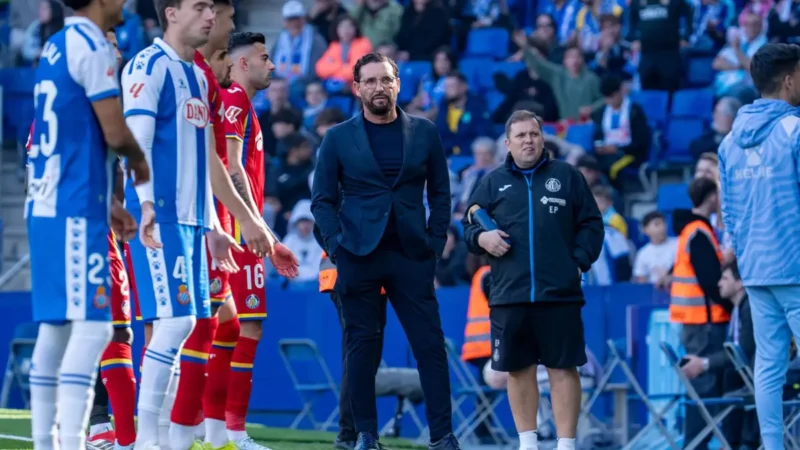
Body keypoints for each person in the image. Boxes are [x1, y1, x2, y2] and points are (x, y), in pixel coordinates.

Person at [121, 0, 276, 448]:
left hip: (193, 221)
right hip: (159, 216)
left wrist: (215, 225)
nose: (211, 17)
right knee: (171, 326)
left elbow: (208, 160)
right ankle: (147, 440)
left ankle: (169, 438)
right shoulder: (147, 66)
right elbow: (138, 143)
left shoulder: (198, 77)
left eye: (213, 9)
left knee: (188, 324)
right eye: (201, 7)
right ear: (171, 13)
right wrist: (146, 206)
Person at [311, 52, 458, 450]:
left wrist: (434, 242)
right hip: (358, 254)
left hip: (412, 255)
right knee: (362, 348)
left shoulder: (425, 132)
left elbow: (441, 195)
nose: (380, 87)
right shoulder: (338, 137)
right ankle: (365, 435)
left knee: (430, 345)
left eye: (386, 80)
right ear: (357, 88)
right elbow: (321, 201)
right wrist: (337, 247)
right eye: (371, 81)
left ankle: (442, 436)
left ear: (398, 84)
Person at [26, 0, 149, 447]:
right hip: (73, 208)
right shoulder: (92, 43)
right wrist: (142, 166)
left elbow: (73, 134)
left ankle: (48, 441)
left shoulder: (55, 45)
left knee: (56, 329)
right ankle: (81, 438)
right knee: (97, 327)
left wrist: (109, 202)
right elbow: (115, 133)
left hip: (49, 204)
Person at [461, 109, 604, 450]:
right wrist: (482, 240)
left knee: (563, 368)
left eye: (534, 134)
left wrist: (578, 263)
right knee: (518, 369)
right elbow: (468, 225)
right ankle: (529, 443)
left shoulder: (567, 176)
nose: (529, 140)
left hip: (560, 293)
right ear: (508, 144)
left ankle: (566, 444)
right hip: (511, 294)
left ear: (543, 139)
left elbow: (592, 225)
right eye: (521, 135)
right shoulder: (493, 182)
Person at [717, 42, 800, 450]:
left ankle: (772, 447)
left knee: (768, 365)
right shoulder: (795, 130)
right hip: (797, 265)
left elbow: (727, 215)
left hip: (758, 268)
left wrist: (748, 255)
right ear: (789, 80)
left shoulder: (730, 142)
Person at [83, 29, 139, 450]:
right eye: (111, 43)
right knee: (116, 332)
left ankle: (93, 425)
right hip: (94, 229)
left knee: (88, 333)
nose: (118, 51)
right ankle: (121, 435)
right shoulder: (97, 103)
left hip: (87, 230)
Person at [670, 177, 731, 449]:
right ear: (710, 198)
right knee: (704, 392)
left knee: (702, 392)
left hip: (695, 324)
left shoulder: (691, 231)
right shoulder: (699, 232)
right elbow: (710, 281)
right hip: (704, 324)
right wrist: (735, 305)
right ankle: (694, 445)